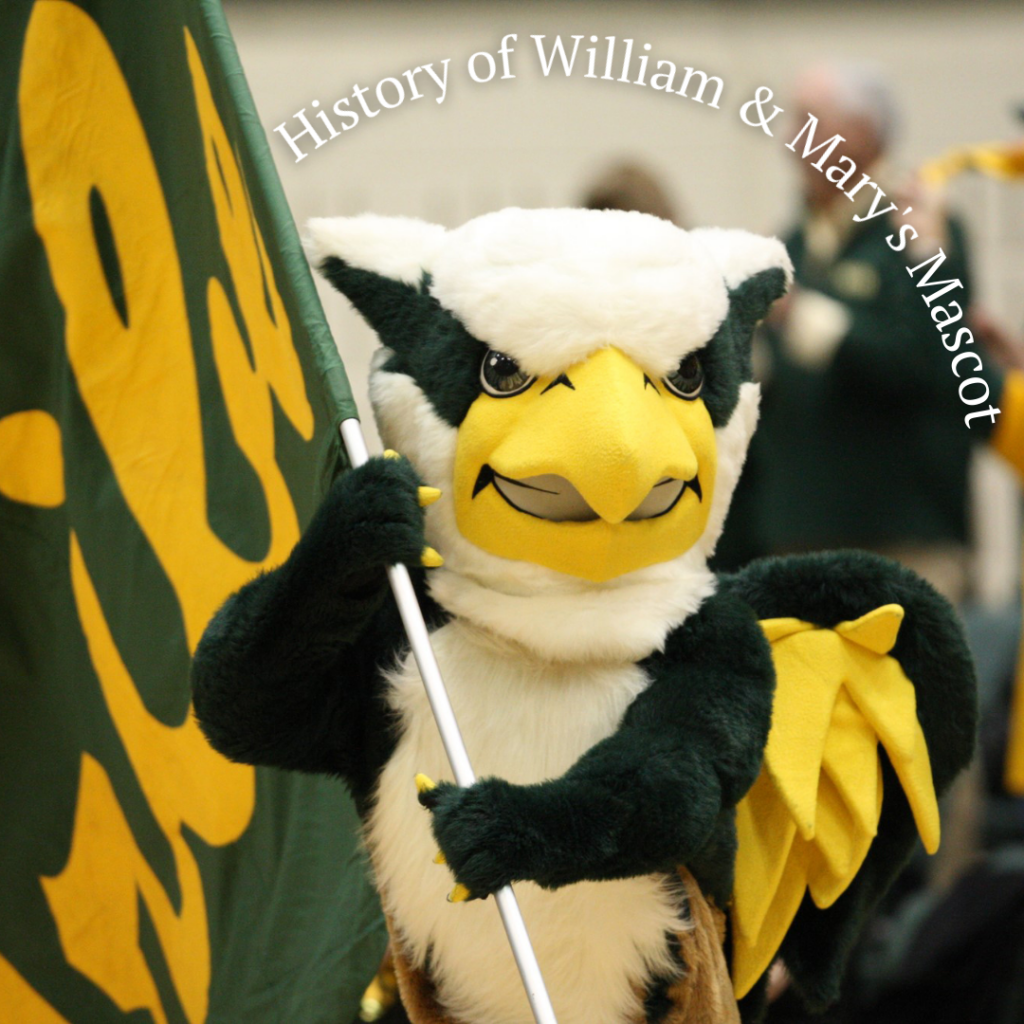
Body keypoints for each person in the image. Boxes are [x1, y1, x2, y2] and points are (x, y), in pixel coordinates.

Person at [717, 63, 1002, 607]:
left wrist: (804, 317)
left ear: (863, 132)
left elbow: (929, 362)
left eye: (808, 121)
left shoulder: (919, 232)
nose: (791, 142)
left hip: (905, 542)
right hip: (796, 540)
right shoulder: (792, 244)